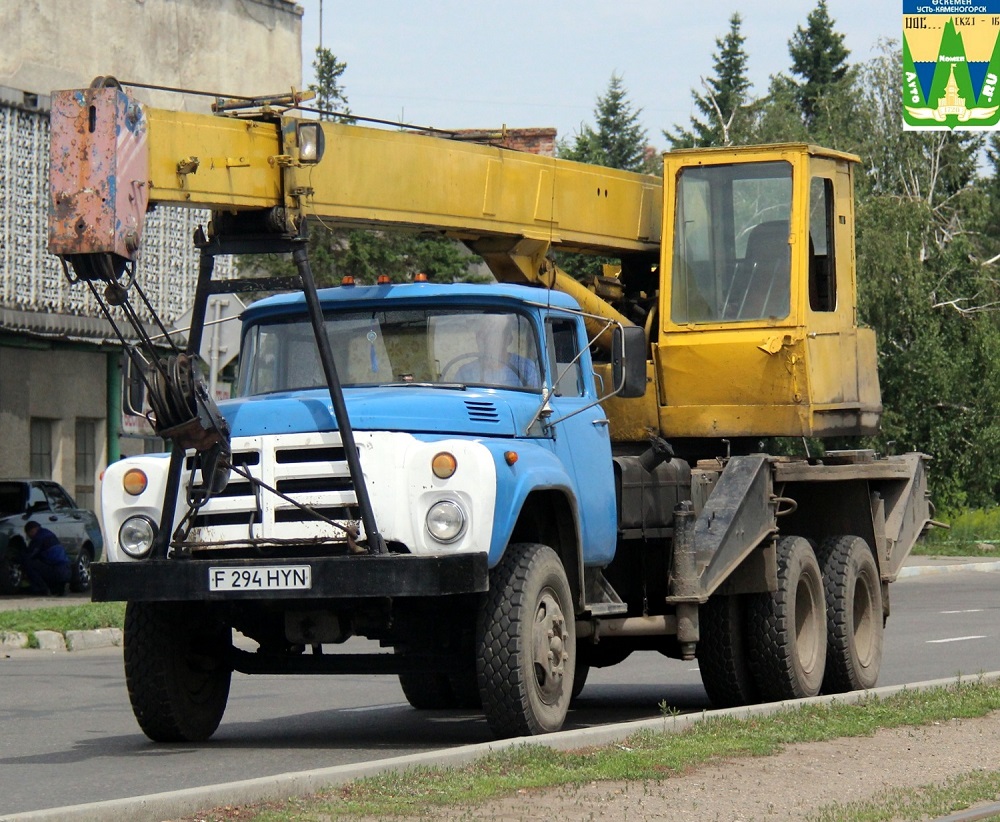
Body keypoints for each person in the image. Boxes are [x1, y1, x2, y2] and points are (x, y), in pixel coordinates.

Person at [455, 315, 540, 388]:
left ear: (508, 339)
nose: (485, 339)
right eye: (481, 334)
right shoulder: (464, 372)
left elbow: (538, 402)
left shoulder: (526, 369)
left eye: (493, 334)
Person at [21, 520, 71, 596]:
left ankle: (41, 589)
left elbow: (30, 555)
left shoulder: (38, 538)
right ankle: (57, 588)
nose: (29, 537)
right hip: (67, 570)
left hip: (57, 571)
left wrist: (18, 559)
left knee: (28, 563)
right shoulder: (48, 534)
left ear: (33, 530)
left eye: (29, 534)